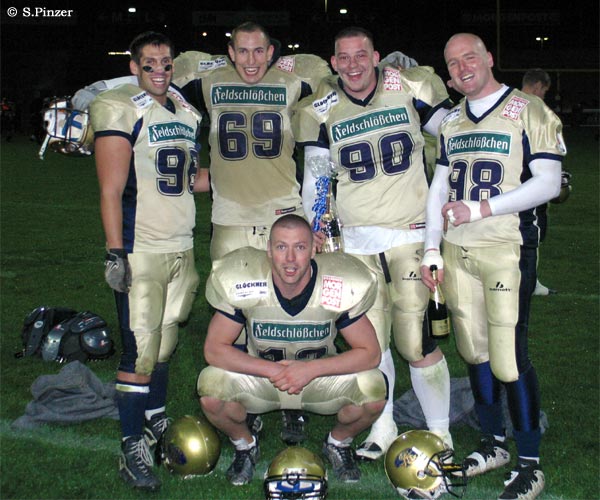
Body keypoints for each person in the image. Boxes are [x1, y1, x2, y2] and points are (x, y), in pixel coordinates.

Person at [75, 21, 331, 444]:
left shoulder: (295, 76)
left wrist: (393, 76)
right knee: (236, 317)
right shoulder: (207, 78)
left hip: (283, 213)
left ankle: (291, 405)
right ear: (230, 51)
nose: (251, 60)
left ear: (272, 52)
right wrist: (102, 87)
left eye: (259, 51)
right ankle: (244, 401)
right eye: (242, 50)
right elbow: (154, 73)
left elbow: (343, 82)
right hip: (228, 217)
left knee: (288, 315)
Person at [293, 26, 454, 461]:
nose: (353, 65)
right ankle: (383, 426)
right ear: (333, 62)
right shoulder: (322, 108)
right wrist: (316, 225)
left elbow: (455, 135)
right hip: (356, 242)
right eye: (343, 57)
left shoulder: (411, 87)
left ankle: (440, 432)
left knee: (415, 341)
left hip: (410, 233)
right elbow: (317, 177)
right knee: (372, 344)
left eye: (360, 55)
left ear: (376, 56)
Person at [421, 33, 565, 499]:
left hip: (506, 247)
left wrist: (482, 209)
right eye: (452, 63)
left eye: (470, 57)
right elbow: (438, 189)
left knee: (508, 357)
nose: (462, 67)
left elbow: (548, 183)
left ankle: (530, 462)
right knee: (474, 351)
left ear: (488, 59)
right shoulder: (452, 120)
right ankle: (493, 443)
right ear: (447, 74)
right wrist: (430, 248)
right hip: (457, 249)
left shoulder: (529, 110)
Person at [90, 31, 209, 491]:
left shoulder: (183, 110)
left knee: (164, 343)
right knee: (139, 349)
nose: (159, 70)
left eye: (165, 63)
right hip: (142, 247)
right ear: (134, 67)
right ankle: (130, 443)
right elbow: (110, 189)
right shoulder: (122, 107)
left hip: (181, 245)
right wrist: (115, 251)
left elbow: (185, 178)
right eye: (149, 64)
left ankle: (154, 416)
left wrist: (244, 176)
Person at [197, 214, 387, 485]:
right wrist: (272, 370)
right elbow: (214, 349)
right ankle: (245, 444)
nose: (289, 259)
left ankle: (338, 442)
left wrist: (310, 369)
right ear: (268, 250)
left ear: (313, 249)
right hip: (263, 380)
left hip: (317, 381)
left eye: (299, 247)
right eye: (281, 247)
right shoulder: (246, 279)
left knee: (374, 389)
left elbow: (370, 352)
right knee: (210, 388)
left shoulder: (336, 284)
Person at [521, 68, 556, 296]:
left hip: (507, 178)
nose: (543, 95)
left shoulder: (506, 103)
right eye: (544, 90)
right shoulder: (536, 108)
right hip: (528, 176)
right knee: (532, 227)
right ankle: (531, 282)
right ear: (537, 86)